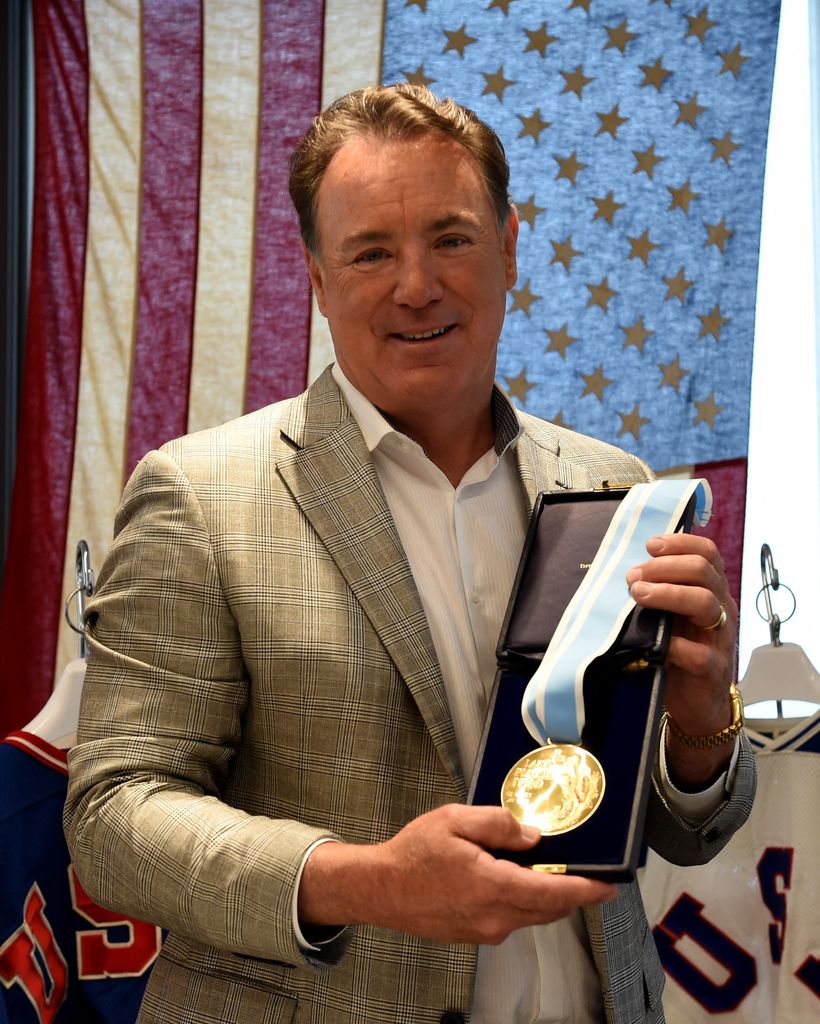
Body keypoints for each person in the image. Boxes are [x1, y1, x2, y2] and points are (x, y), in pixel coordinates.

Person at [64, 84, 755, 1024]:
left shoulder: (614, 486)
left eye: (452, 237)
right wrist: (364, 882)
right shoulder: (198, 496)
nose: (417, 284)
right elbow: (113, 820)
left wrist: (702, 722)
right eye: (371, 252)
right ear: (316, 277)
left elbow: (682, 824)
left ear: (511, 246)